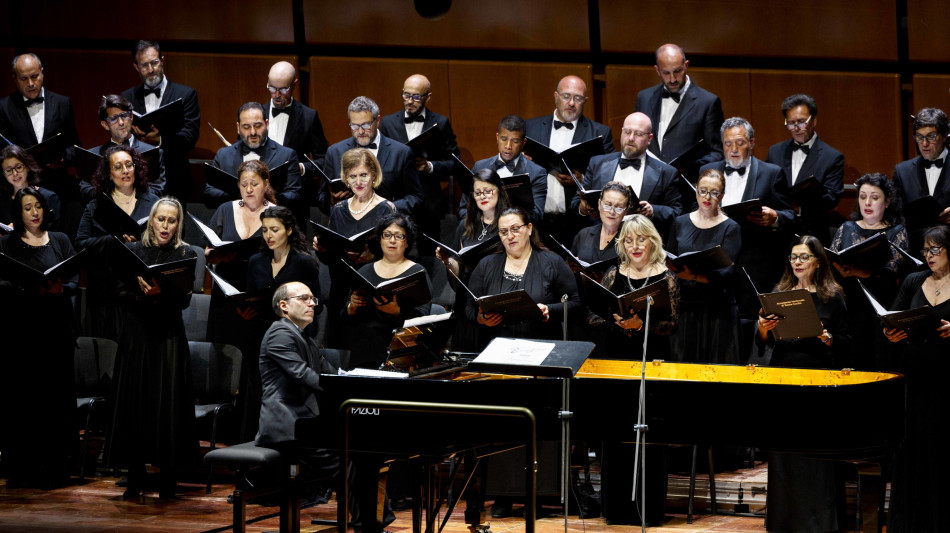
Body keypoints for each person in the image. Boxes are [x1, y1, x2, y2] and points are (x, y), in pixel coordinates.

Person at [106, 197, 198, 499]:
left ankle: (168, 478)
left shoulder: (185, 253)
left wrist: (160, 294)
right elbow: (118, 291)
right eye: (161, 219)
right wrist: (141, 294)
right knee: (136, 401)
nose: (165, 226)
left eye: (172, 220)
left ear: (178, 224)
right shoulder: (133, 250)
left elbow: (184, 299)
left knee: (167, 403)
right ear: (152, 221)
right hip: (137, 335)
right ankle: (135, 477)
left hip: (168, 336)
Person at [757, 235, 848, 532]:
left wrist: (826, 336)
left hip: (817, 380)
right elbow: (764, 342)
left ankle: (818, 521)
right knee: (785, 451)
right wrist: (763, 328)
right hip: (784, 378)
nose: (797, 262)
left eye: (804, 257)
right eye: (794, 257)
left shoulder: (832, 297)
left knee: (815, 450)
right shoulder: (779, 293)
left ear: (817, 262)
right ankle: (785, 520)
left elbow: (846, 342)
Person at [0, 188, 78, 488]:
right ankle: (23, 467)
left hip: (56, 330)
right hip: (22, 332)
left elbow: (73, 279)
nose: (34, 212)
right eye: (27, 208)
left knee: (55, 399)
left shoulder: (60, 240)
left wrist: (59, 289)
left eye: (38, 206)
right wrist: (28, 289)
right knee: (24, 399)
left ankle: (56, 467)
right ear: (18, 214)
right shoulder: (7, 243)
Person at [700, 117, 793, 358]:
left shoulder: (771, 173)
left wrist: (775, 217)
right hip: (717, 264)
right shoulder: (707, 172)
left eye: (739, 142)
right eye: (727, 143)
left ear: (751, 143)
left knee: (752, 334)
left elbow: (790, 215)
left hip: (755, 266)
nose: (733, 149)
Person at [883, 226, 950, 532]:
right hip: (914, 377)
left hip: (945, 379)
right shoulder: (913, 280)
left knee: (940, 449)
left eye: (935, 249)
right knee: (911, 448)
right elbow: (891, 317)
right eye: (925, 250)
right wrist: (890, 332)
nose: (928, 256)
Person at [241, 205, 321, 439]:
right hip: (261, 333)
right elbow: (250, 295)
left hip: (291, 336)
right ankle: (253, 442)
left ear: (289, 230)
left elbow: (316, 302)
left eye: (274, 230)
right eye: (265, 230)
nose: (268, 235)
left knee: (285, 392)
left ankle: (283, 438)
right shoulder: (256, 261)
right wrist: (246, 309)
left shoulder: (303, 262)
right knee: (258, 389)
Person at [75, 145, 159, 340]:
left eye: (129, 165)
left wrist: (141, 242)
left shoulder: (153, 202)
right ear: (108, 173)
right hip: (105, 293)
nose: (125, 171)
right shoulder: (96, 205)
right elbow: (80, 244)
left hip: (140, 292)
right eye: (118, 167)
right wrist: (114, 241)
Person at [316, 148, 396, 349]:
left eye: (363, 175)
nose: (358, 182)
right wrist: (322, 250)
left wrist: (373, 256)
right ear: (346, 178)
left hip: (372, 293)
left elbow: (396, 255)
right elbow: (331, 258)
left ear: (374, 175)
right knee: (339, 356)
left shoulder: (387, 209)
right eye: (352, 177)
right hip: (341, 292)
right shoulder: (338, 210)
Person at [830, 173, 909, 370]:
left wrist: (859, 271)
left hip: (881, 308)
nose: (867, 203)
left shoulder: (897, 231)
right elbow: (831, 262)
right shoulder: (846, 228)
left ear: (887, 202)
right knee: (851, 363)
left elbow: (893, 271)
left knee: (880, 364)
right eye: (863, 196)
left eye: (874, 198)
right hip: (850, 306)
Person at [525, 75, 614, 244]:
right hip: (537, 222)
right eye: (566, 96)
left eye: (578, 98)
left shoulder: (600, 133)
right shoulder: (530, 127)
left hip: (579, 223)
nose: (571, 103)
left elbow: (609, 179)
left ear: (585, 101)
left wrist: (582, 180)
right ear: (556, 96)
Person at [666, 169, 742, 364]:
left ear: (722, 196)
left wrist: (692, 276)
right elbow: (669, 260)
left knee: (717, 369)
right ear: (696, 191)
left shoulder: (731, 227)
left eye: (714, 193)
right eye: (703, 191)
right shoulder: (680, 222)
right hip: (686, 307)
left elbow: (727, 273)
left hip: (718, 308)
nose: (707, 197)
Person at [0, 53, 81, 235]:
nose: (31, 83)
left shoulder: (62, 103)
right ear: (14, 78)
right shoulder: (4, 107)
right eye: (24, 78)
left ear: (42, 72)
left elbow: (75, 147)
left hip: (58, 187)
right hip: (21, 191)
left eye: (35, 76)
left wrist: (63, 158)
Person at [379, 74, 460, 254]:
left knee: (430, 256)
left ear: (428, 97)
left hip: (428, 203)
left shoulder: (441, 123)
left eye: (416, 97)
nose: (409, 101)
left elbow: (456, 164)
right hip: (396, 201)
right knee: (395, 253)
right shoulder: (387, 123)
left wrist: (430, 166)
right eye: (406, 95)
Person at [343, 213, 432, 369]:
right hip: (365, 347)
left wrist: (397, 312)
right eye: (387, 235)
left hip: (401, 347)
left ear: (407, 242)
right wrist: (352, 307)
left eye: (399, 236)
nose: (392, 240)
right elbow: (345, 316)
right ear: (380, 239)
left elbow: (424, 317)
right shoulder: (364, 271)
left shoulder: (418, 272)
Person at [437, 168, 511, 352]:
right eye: (477, 192)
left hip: (496, 301)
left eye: (488, 191)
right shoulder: (465, 225)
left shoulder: (509, 224)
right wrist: (447, 261)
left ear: (499, 190)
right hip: (467, 301)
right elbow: (458, 275)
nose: (482, 196)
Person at [204, 160, 276, 345]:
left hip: (259, 295)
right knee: (224, 353)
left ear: (266, 184)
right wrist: (215, 256)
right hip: (226, 292)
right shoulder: (225, 209)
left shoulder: (277, 214)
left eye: (254, 184)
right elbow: (209, 250)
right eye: (244, 185)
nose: (249, 189)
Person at [577, 112, 683, 236]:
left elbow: (677, 212)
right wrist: (583, 208)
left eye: (638, 134)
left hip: (641, 239)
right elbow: (577, 201)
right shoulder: (597, 163)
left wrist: (653, 210)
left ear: (649, 139)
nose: (631, 138)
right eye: (627, 132)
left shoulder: (667, 172)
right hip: (600, 238)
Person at [122, 40, 200, 203]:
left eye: (154, 63)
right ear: (136, 67)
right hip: (138, 181)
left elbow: (190, 136)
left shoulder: (186, 94)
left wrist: (160, 140)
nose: (151, 70)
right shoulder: (127, 97)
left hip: (175, 180)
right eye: (144, 65)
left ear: (162, 60)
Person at [321, 96, 422, 216]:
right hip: (347, 223)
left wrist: (387, 208)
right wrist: (333, 202)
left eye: (366, 125)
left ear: (377, 121)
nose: (360, 131)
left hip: (388, 223)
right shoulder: (334, 152)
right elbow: (321, 197)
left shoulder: (401, 153)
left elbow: (415, 197)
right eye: (354, 126)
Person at [635, 44, 724, 180]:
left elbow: (716, 152)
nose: (672, 79)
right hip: (648, 181)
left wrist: (687, 169)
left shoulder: (708, 102)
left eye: (677, 71)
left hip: (684, 183)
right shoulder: (644, 98)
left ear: (686, 65)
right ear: (657, 70)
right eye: (666, 73)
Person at [766, 94, 844, 245]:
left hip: (812, 236)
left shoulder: (832, 157)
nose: (796, 128)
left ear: (814, 121)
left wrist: (809, 194)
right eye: (791, 123)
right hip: (778, 235)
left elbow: (832, 200)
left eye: (801, 122)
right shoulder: (775, 152)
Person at [205, 102, 303, 215]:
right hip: (234, 220)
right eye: (246, 127)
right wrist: (241, 196)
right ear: (238, 128)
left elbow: (295, 196)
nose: (253, 132)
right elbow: (209, 195)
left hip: (271, 220)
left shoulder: (286, 155)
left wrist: (263, 197)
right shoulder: (223, 155)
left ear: (267, 124)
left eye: (257, 126)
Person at [458, 115, 547, 221]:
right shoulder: (479, 167)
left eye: (515, 141)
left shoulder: (536, 172)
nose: (508, 146)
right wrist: (485, 222)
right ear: (497, 137)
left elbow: (537, 216)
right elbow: (463, 210)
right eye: (503, 139)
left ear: (523, 143)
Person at [80, 94, 165, 201]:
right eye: (114, 118)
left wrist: (128, 195)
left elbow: (157, 191)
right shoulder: (92, 154)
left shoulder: (152, 152)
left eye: (124, 116)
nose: (121, 122)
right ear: (105, 124)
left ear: (131, 117)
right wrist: (114, 193)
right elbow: (85, 192)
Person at [892, 108, 950, 251]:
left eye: (931, 137)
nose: (924, 143)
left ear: (944, 136)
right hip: (916, 250)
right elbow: (895, 214)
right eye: (919, 137)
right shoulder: (902, 171)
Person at [262, 61, 329, 177]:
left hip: (295, 185)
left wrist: (301, 168)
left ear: (294, 84)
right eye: (272, 88)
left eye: (283, 89)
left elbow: (324, 161)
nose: (277, 95)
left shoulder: (309, 117)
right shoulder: (257, 113)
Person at [0, 144, 60, 230]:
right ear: (4, 174)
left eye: (18, 167)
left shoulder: (49, 197)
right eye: (9, 170)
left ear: (27, 167)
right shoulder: (2, 202)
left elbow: (55, 233)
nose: (15, 173)